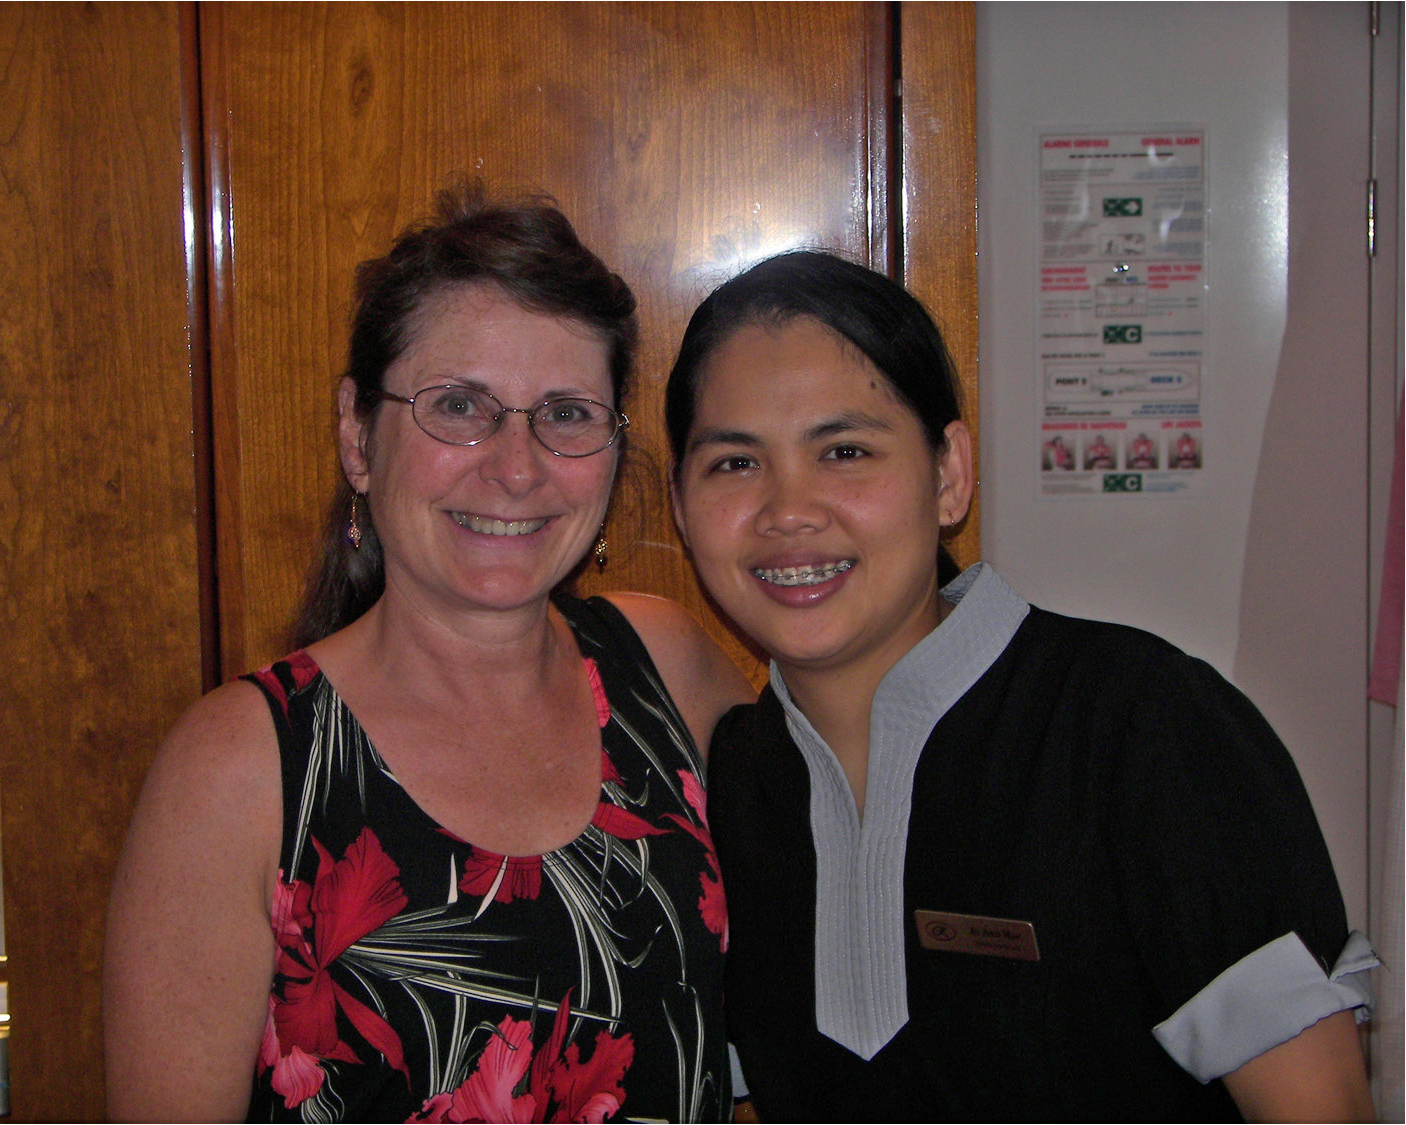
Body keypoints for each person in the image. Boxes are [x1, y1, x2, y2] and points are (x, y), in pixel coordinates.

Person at [664, 250, 1377, 1121]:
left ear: (949, 473)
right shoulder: (725, 787)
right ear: (679, 505)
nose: (789, 510)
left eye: (845, 450)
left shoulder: (1139, 724)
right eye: (734, 463)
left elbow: (1321, 1106)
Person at [104, 190, 752, 1121]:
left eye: (566, 414)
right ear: (358, 435)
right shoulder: (241, 768)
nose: (517, 467)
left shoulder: (665, 672)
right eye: (459, 406)